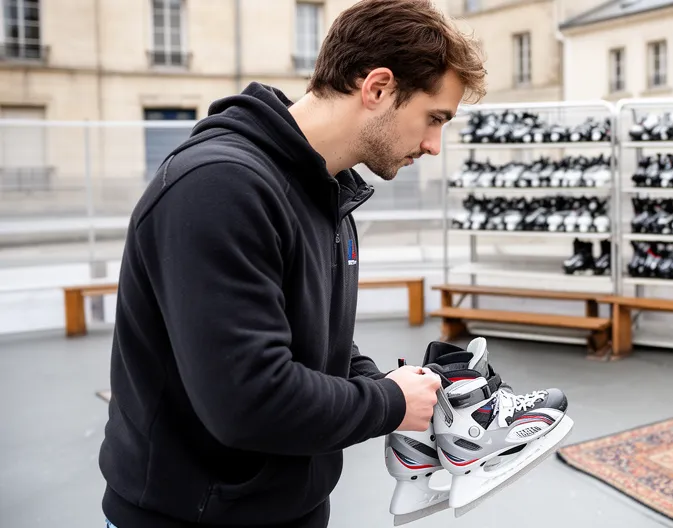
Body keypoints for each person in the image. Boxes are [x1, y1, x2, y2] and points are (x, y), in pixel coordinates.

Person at [97, 1, 487, 526]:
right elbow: (248, 401)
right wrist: (389, 403)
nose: (434, 145)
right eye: (434, 118)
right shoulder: (218, 188)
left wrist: (398, 385)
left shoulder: (327, 192)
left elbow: (313, 340)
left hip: (291, 510)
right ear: (377, 88)